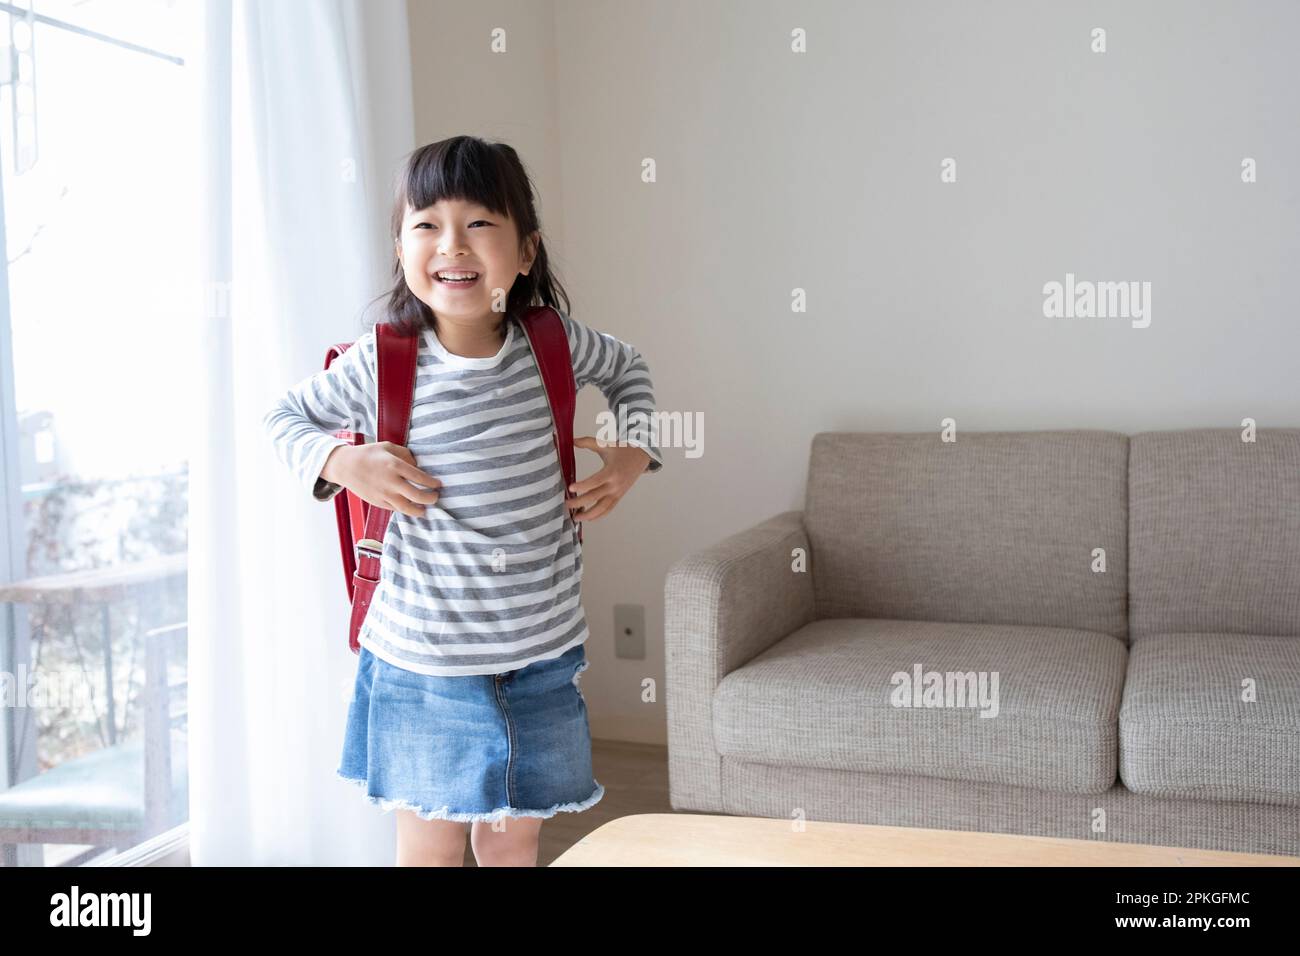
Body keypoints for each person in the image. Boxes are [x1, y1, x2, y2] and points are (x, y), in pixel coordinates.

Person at [261, 135, 664, 866]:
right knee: (431, 849)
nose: (453, 244)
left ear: (525, 251)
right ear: (402, 245)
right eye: (427, 224)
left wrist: (633, 452)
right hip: (423, 664)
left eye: (480, 222)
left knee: (513, 843)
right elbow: (282, 420)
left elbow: (630, 369)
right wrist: (345, 461)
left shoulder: (553, 345)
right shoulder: (383, 361)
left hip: (539, 659)